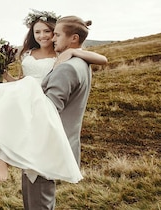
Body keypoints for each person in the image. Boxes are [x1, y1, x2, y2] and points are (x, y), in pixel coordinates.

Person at [0, 11, 106, 189]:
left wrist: (71, 51)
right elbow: (21, 82)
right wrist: (3, 74)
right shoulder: (28, 54)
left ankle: (4, 159)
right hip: (25, 91)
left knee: (16, 107)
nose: (43, 36)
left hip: (40, 96)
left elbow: (102, 59)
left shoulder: (62, 54)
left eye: (49, 32)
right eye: (37, 32)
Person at [21, 15, 97, 209]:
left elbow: (47, 112)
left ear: (73, 39)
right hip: (60, 139)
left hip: (45, 144)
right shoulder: (82, 63)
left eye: (56, 34)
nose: (52, 38)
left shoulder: (66, 68)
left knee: (38, 201)